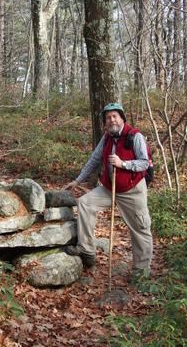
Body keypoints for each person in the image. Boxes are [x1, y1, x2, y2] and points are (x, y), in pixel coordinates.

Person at [63, 103, 153, 279]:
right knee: (85, 203)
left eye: (114, 116)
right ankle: (87, 249)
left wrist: (123, 164)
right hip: (108, 188)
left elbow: (144, 162)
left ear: (122, 118)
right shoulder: (107, 138)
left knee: (140, 229)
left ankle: (141, 273)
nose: (111, 120)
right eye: (108, 118)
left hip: (132, 190)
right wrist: (77, 180)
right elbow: (94, 160)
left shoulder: (135, 137)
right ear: (105, 123)